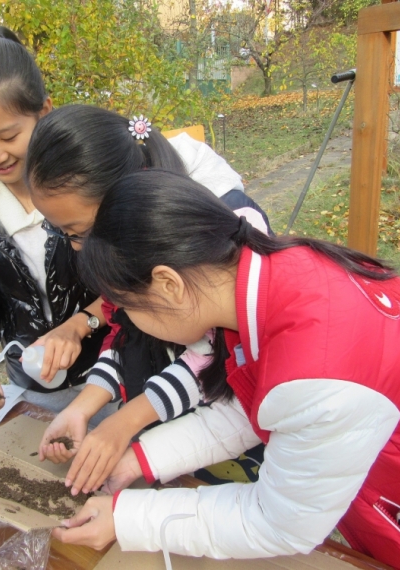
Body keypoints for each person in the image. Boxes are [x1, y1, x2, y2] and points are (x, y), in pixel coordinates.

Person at [52, 169, 400, 570]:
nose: (128, 321)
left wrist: (129, 520)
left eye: (130, 307)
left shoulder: (320, 366)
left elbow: (278, 523)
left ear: (168, 284)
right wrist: (140, 460)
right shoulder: (271, 273)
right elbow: (261, 407)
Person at [25, 105, 271, 496]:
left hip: (234, 444)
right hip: (165, 440)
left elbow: (212, 362)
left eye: (79, 232)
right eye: (65, 234)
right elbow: (124, 331)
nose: (76, 248)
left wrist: (121, 425)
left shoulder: (219, 238)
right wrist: (82, 408)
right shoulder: (122, 240)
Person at [0, 27, 110, 422]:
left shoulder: (84, 163)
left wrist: (79, 325)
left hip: (115, 366)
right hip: (30, 379)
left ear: (44, 112)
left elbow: (135, 273)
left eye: (9, 135)